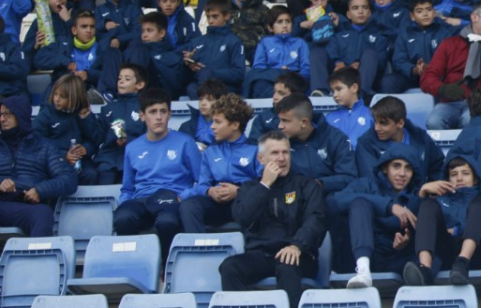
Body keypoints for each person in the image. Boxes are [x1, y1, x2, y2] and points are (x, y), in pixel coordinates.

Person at [219, 131, 326, 308]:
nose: (282, 158)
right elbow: (242, 218)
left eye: (285, 152)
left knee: (287, 265)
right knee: (229, 267)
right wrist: (264, 185)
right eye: (275, 153)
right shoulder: (248, 188)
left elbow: (316, 220)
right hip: (260, 254)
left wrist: (297, 245)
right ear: (261, 159)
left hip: (298, 253)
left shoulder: (306, 185)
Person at [113, 88, 202, 253]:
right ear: (142, 115)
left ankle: (167, 267)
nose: (159, 117)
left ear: (170, 114)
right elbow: (127, 188)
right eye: (152, 112)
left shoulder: (185, 142)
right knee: (123, 217)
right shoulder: (132, 147)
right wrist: (126, 203)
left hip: (171, 199)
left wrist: (182, 197)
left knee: (167, 221)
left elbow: (203, 182)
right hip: (142, 200)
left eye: (163, 111)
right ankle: (134, 265)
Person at [402, 156, 481, 286]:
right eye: (454, 174)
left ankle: (462, 262)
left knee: (479, 203)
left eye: (465, 173)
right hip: (446, 255)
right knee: (428, 205)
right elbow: (417, 226)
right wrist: (422, 192)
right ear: (448, 179)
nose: (459, 178)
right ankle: (424, 270)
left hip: (479, 255)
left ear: (475, 179)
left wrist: (459, 230)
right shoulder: (439, 201)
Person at [334, 142, 425, 289]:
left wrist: (405, 243)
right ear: (385, 168)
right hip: (354, 259)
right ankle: (363, 271)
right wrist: (389, 206)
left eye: (408, 168)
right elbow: (337, 201)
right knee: (359, 203)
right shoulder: (366, 185)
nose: (402, 173)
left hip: (393, 259)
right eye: (396, 166)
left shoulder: (416, 196)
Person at [421, 0, 481, 130]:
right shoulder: (450, 44)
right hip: (450, 102)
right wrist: (442, 89)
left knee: (469, 121)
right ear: (474, 17)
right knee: (434, 121)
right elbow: (427, 77)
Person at [179, 93, 260, 232]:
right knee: (189, 206)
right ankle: (198, 248)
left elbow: (264, 184)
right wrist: (210, 191)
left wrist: (239, 192)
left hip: (244, 203)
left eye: (217, 122)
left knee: (254, 207)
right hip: (217, 204)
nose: (212, 127)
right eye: (212, 121)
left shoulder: (256, 149)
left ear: (235, 125)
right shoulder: (211, 151)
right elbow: (202, 184)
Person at [0, 94, 77, 236]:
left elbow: (68, 179)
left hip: (26, 205)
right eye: (0, 114)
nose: (2, 119)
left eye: (7, 114)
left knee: (42, 213)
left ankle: (37, 258)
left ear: (20, 115)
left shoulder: (44, 146)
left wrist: (40, 190)